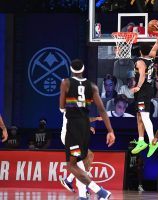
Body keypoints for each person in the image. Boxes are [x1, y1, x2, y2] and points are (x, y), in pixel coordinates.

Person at [59, 59, 115, 200]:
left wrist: (69, 103)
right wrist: (110, 131)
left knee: (73, 165)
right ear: (83, 69)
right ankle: (83, 195)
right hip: (84, 127)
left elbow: (61, 107)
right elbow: (102, 109)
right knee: (82, 161)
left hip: (71, 128)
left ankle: (100, 192)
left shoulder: (66, 83)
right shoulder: (93, 86)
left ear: (71, 69)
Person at [130, 22, 158, 158]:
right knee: (139, 116)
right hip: (147, 90)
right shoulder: (151, 56)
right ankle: (142, 141)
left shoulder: (139, 62)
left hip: (143, 90)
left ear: (139, 51)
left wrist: (137, 86)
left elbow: (142, 74)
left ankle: (152, 141)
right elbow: (157, 44)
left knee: (144, 116)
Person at [60, 113, 101, 198]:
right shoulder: (71, 107)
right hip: (70, 139)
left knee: (88, 156)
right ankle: (95, 192)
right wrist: (96, 118)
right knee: (80, 165)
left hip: (74, 138)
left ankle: (69, 181)